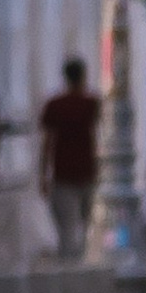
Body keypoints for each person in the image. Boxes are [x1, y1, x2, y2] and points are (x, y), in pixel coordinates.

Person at [40, 58, 100, 262]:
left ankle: (68, 265)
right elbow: (97, 138)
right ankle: (81, 262)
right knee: (85, 225)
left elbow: (47, 142)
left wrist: (43, 174)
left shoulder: (55, 105)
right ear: (83, 77)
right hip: (86, 172)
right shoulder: (91, 104)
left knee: (66, 228)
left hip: (62, 174)